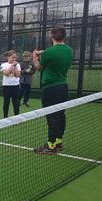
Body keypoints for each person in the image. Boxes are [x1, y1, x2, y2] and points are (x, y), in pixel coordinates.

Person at [32, 25, 73, 154]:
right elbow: (57, 51)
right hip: (63, 87)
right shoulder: (69, 50)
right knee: (60, 114)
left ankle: (50, 146)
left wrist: (34, 57)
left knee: (52, 116)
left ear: (51, 36)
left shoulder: (49, 52)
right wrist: (42, 52)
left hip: (51, 88)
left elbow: (38, 67)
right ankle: (58, 142)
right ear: (64, 36)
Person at [0, 50, 21, 118]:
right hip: (6, 86)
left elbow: (18, 75)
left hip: (15, 86)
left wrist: (15, 67)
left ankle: (16, 117)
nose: (14, 59)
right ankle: (5, 117)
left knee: (16, 102)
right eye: (12, 57)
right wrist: (12, 65)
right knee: (6, 102)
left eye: (15, 58)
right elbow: (6, 73)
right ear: (8, 57)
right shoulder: (3, 65)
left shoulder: (18, 65)